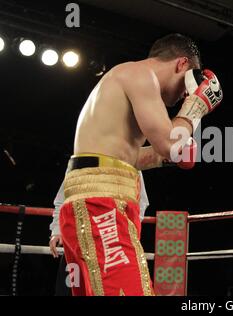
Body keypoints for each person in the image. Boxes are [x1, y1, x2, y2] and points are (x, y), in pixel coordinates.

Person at [59, 33, 223, 296]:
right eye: (188, 83)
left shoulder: (128, 81)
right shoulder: (140, 75)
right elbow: (170, 141)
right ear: (181, 64)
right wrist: (197, 106)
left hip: (101, 197)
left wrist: (164, 157)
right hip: (101, 203)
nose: (185, 93)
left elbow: (128, 158)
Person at [49, 171, 149, 295]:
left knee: (117, 287)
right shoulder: (81, 158)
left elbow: (140, 203)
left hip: (114, 242)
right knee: (72, 288)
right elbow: (63, 197)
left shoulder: (130, 161)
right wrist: (57, 230)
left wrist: (130, 231)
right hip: (80, 238)